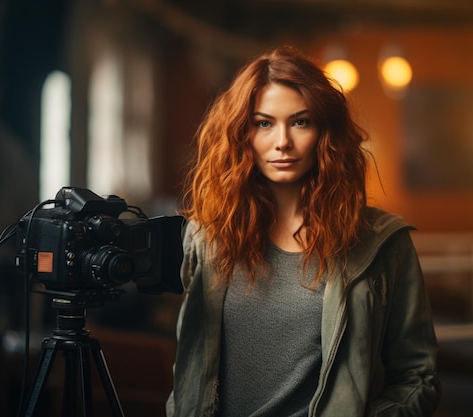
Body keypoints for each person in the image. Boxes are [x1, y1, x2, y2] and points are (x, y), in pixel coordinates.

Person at [166, 45, 440, 417]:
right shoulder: (209, 236)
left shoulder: (382, 243)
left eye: (300, 122)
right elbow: (189, 373)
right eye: (264, 123)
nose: (282, 141)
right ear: (242, 134)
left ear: (325, 133)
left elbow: (418, 377)